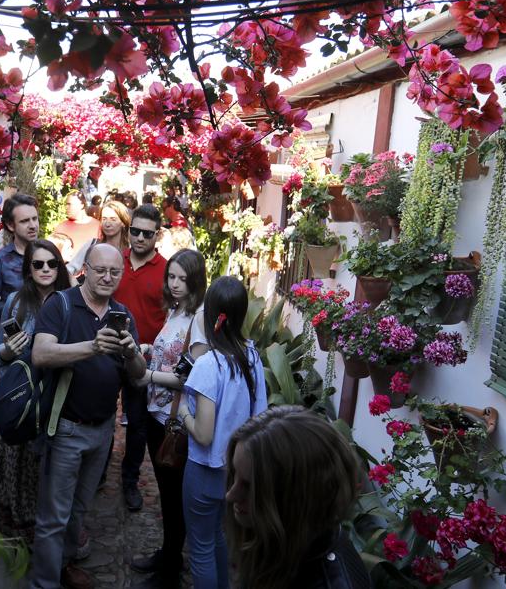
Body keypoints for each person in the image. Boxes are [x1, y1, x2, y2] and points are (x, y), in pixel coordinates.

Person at [31, 243, 147, 589]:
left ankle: (63, 566)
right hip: (66, 428)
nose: (108, 277)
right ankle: (44, 584)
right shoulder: (62, 304)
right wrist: (92, 347)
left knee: (79, 509)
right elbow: (41, 353)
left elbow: (139, 374)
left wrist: (130, 353)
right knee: (53, 517)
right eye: (101, 270)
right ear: (86, 269)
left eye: (115, 272)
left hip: (103, 430)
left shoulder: (122, 313)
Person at [181, 276, 268, 589]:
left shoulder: (208, 364)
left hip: (206, 469)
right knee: (218, 537)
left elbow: (203, 435)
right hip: (237, 470)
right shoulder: (252, 356)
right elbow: (260, 414)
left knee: (201, 547)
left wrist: (183, 415)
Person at [130, 249, 209, 589]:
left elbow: (193, 377)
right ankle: (168, 555)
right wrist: (150, 347)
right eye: (171, 277)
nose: (175, 284)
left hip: (174, 419)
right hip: (157, 413)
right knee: (166, 494)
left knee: (174, 498)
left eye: (182, 279)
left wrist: (147, 376)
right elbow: (172, 355)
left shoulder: (200, 318)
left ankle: (170, 572)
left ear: (196, 281)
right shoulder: (178, 309)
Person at [225, 407, 369, 589]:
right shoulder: (282, 538)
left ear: (298, 497)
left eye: (250, 486)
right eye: (234, 474)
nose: (230, 495)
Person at [0, 239, 74, 543]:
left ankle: (48, 537)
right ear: (28, 270)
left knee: (50, 472)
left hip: (56, 398)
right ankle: (17, 536)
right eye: (38, 264)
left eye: (52, 263)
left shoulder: (70, 301)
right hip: (22, 399)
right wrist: (9, 352)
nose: (46, 269)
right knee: (15, 465)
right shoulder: (15, 301)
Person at [113, 204, 169, 512]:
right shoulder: (114, 261)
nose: (139, 238)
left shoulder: (166, 270)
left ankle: (129, 480)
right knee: (99, 413)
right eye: (134, 231)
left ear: (157, 235)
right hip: (108, 352)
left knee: (137, 423)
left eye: (147, 234)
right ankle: (93, 474)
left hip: (142, 359)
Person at [0, 193, 39, 324]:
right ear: (11, 225)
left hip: (47, 337)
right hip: (12, 337)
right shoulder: (0, 260)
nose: (33, 225)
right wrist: (15, 310)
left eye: (35, 219)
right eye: (25, 221)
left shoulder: (48, 254)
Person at [68, 200, 130, 276]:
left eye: (113, 219)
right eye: (104, 219)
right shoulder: (92, 245)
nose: (107, 224)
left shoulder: (131, 249)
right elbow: (69, 270)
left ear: (123, 222)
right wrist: (75, 284)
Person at [53, 192, 98, 262]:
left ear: (81, 205)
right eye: (66, 204)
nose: (66, 207)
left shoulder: (97, 226)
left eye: (69, 204)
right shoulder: (61, 227)